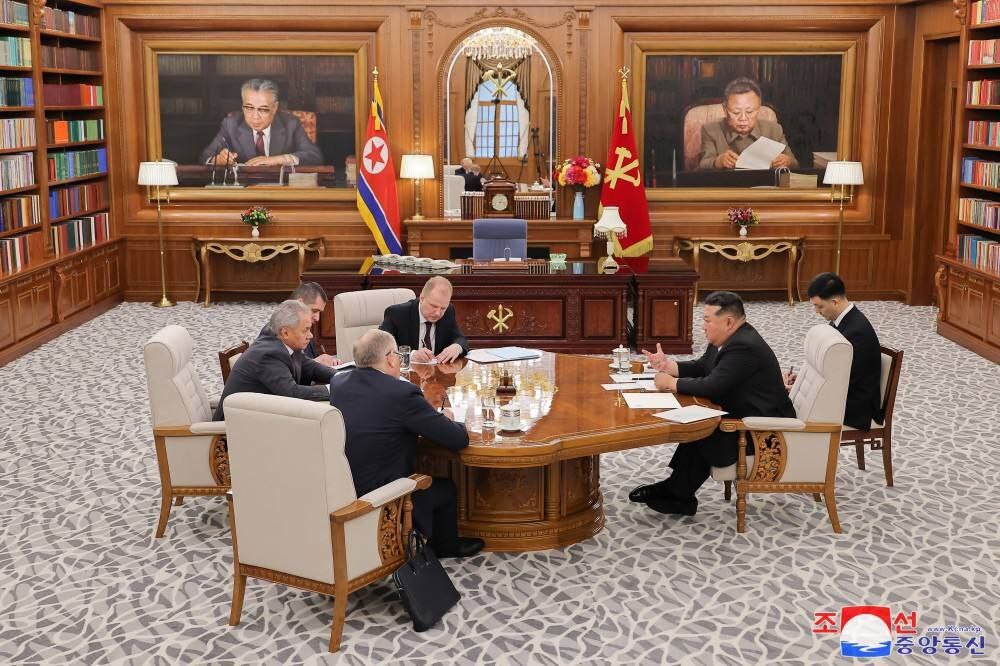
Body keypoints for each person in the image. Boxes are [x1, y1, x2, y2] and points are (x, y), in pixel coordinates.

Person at [634, 291, 795, 516]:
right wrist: (669, 367)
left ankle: (678, 494)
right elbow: (703, 366)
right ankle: (677, 490)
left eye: (707, 320)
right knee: (696, 421)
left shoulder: (744, 346)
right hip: (741, 412)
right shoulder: (727, 338)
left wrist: (671, 383)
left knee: (702, 427)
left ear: (728, 322)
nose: (703, 326)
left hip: (761, 430)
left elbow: (712, 386)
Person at [330, 330, 484, 558]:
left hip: (345, 487)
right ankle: (446, 546)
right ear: (391, 358)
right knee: (445, 488)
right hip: (383, 497)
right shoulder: (401, 393)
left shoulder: (339, 382)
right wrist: (448, 417)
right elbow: (457, 439)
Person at [788, 272, 882, 431]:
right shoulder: (842, 321)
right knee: (790, 399)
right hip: (843, 393)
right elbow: (833, 371)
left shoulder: (857, 332)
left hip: (856, 406)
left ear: (835, 302)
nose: (816, 311)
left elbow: (849, 382)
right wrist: (803, 381)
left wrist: (810, 392)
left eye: (819, 306)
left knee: (790, 408)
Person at [214, 300, 335, 420]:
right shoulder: (268, 354)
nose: (310, 335)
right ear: (285, 332)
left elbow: (308, 366)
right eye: (305, 330)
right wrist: (333, 389)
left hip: (259, 417)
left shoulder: (281, 336)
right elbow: (292, 393)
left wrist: (339, 376)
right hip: (233, 426)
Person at [198, 78, 323, 168]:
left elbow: (314, 156)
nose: (255, 116)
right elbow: (205, 156)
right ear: (242, 106)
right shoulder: (231, 124)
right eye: (249, 108)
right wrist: (218, 160)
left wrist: (278, 159)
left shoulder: (291, 124)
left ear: (274, 108)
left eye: (263, 109)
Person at [697, 77, 798, 170]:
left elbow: (795, 164)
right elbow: (703, 165)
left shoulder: (774, 130)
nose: (743, 118)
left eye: (749, 112)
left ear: (758, 109)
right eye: (736, 112)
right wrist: (717, 162)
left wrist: (787, 161)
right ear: (725, 109)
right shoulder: (711, 130)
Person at [379, 276, 469, 363]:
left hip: (436, 370)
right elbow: (380, 346)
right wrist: (411, 355)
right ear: (422, 298)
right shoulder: (397, 313)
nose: (438, 313)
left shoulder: (449, 311)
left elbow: (460, 338)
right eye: (434, 306)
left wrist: (456, 347)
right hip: (406, 371)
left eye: (443, 308)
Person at [257, 282, 339, 366]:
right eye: (314, 311)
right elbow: (277, 367)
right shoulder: (274, 331)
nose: (317, 318)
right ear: (299, 303)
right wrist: (316, 362)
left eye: (319, 313)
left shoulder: (305, 329)